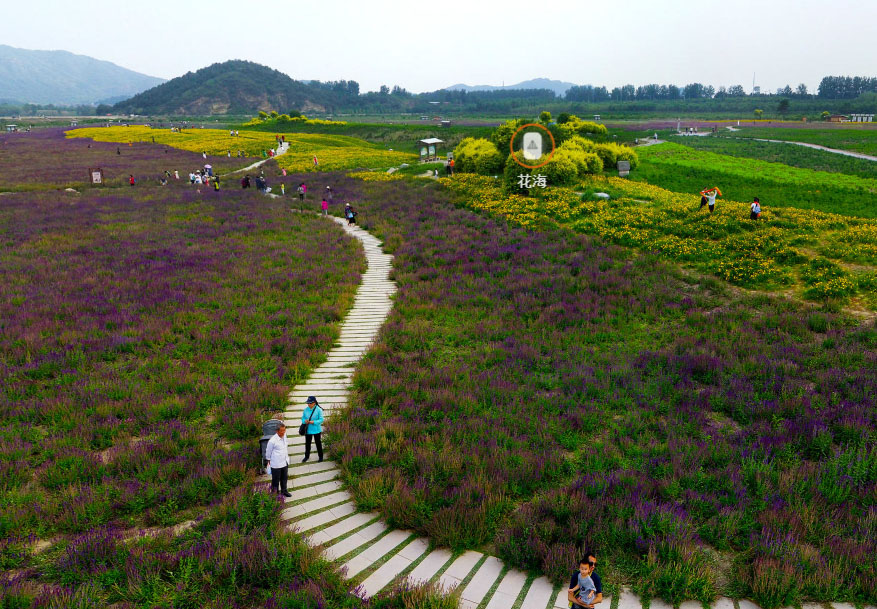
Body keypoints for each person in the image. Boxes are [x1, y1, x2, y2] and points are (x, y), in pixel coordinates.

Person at [264, 423, 292, 497]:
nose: (283, 432)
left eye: (284, 430)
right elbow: (268, 451)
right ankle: (274, 494)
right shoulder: (272, 441)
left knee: (284, 478)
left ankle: (284, 491)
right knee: (276, 480)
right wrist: (268, 460)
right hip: (276, 463)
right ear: (277, 431)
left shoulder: (284, 436)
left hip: (284, 461)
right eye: (281, 431)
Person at [301, 396, 324, 463]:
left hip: (316, 430)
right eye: (308, 403)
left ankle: (320, 456)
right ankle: (306, 456)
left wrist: (313, 422)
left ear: (314, 403)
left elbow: (321, 419)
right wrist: (305, 421)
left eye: (310, 403)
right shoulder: (305, 410)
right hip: (308, 430)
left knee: (318, 444)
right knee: (307, 444)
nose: (309, 404)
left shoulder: (319, 410)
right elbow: (302, 419)